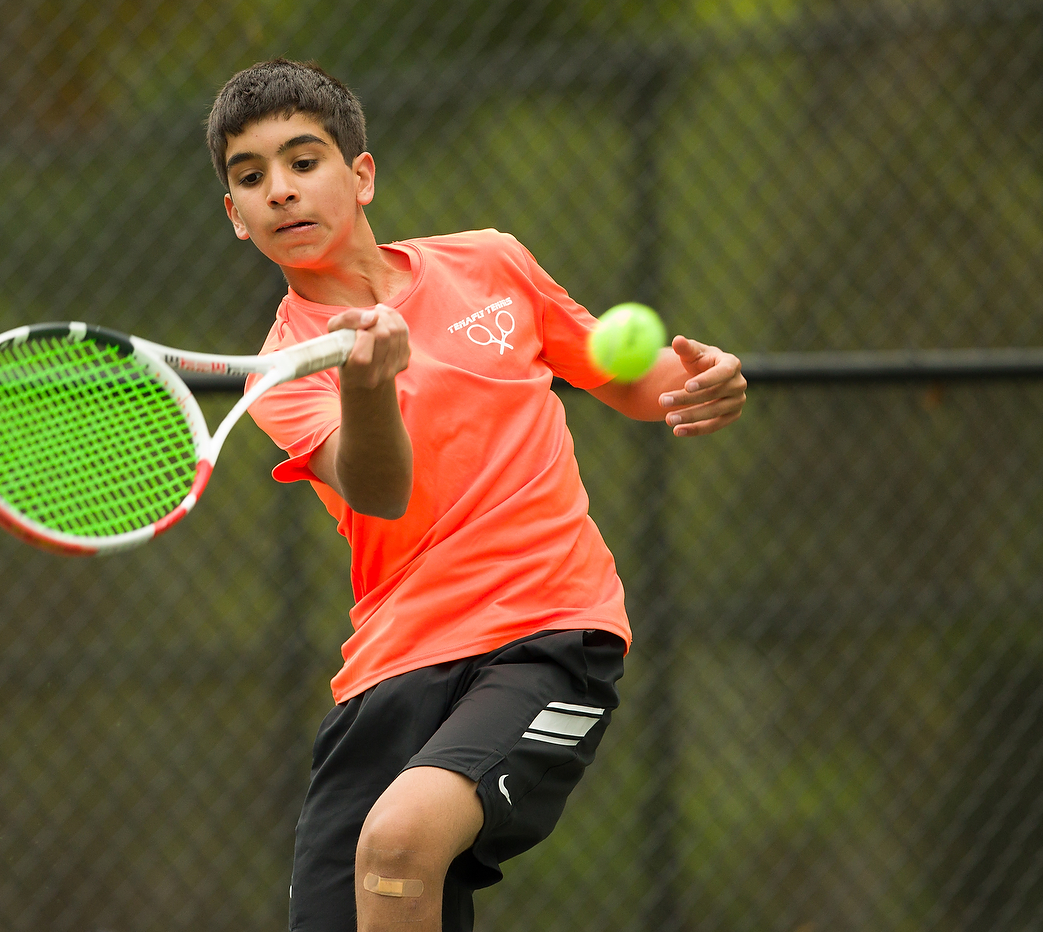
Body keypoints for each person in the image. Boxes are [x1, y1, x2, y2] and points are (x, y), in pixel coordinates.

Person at [206, 59, 745, 932]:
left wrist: (703, 380)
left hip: (547, 636)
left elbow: (635, 381)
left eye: (304, 161)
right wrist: (368, 384)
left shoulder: (492, 263)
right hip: (389, 675)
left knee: (400, 842)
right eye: (251, 176)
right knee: (362, 888)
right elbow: (379, 492)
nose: (280, 190)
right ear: (235, 217)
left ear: (362, 174)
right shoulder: (283, 373)